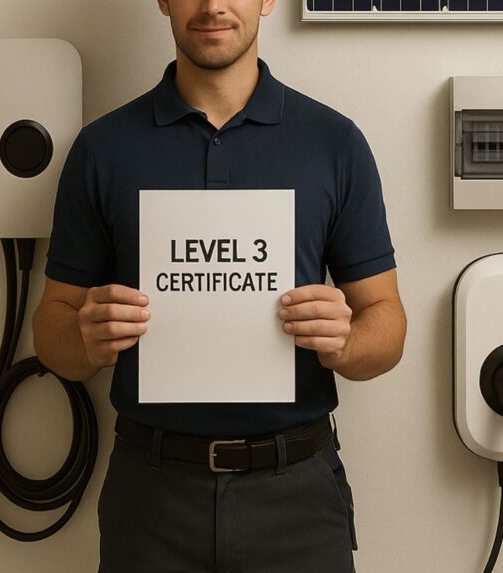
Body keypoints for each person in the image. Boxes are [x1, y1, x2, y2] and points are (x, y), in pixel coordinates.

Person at [32, 0, 407, 571]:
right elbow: (51, 329)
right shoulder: (102, 149)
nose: (212, 5)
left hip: (298, 496)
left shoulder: (335, 143)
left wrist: (348, 341)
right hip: (151, 495)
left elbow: (388, 323)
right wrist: (83, 338)